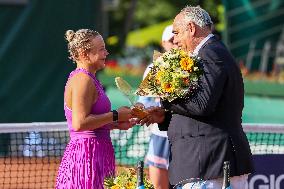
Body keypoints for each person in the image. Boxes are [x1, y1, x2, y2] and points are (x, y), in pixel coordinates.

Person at [138, 6, 254, 189]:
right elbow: (204, 111)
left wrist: (166, 95)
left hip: (210, 165)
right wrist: (165, 116)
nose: (175, 40)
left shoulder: (210, 54)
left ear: (191, 28)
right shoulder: (211, 52)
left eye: (176, 33)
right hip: (208, 165)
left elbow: (202, 105)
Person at [55, 29, 135, 189]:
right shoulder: (82, 80)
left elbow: (92, 121)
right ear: (84, 54)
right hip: (86, 156)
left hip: (96, 153)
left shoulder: (89, 78)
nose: (106, 52)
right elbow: (79, 123)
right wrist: (115, 115)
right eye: (101, 49)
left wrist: (116, 124)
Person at [138, 25, 176, 189]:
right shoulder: (153, 69)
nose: (175, 43)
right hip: (160, 136)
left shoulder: (192, 66)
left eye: (177, 39)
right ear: (163, 43)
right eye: (171, 40)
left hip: (186, 138)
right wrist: (162, 102)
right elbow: (143, 102)